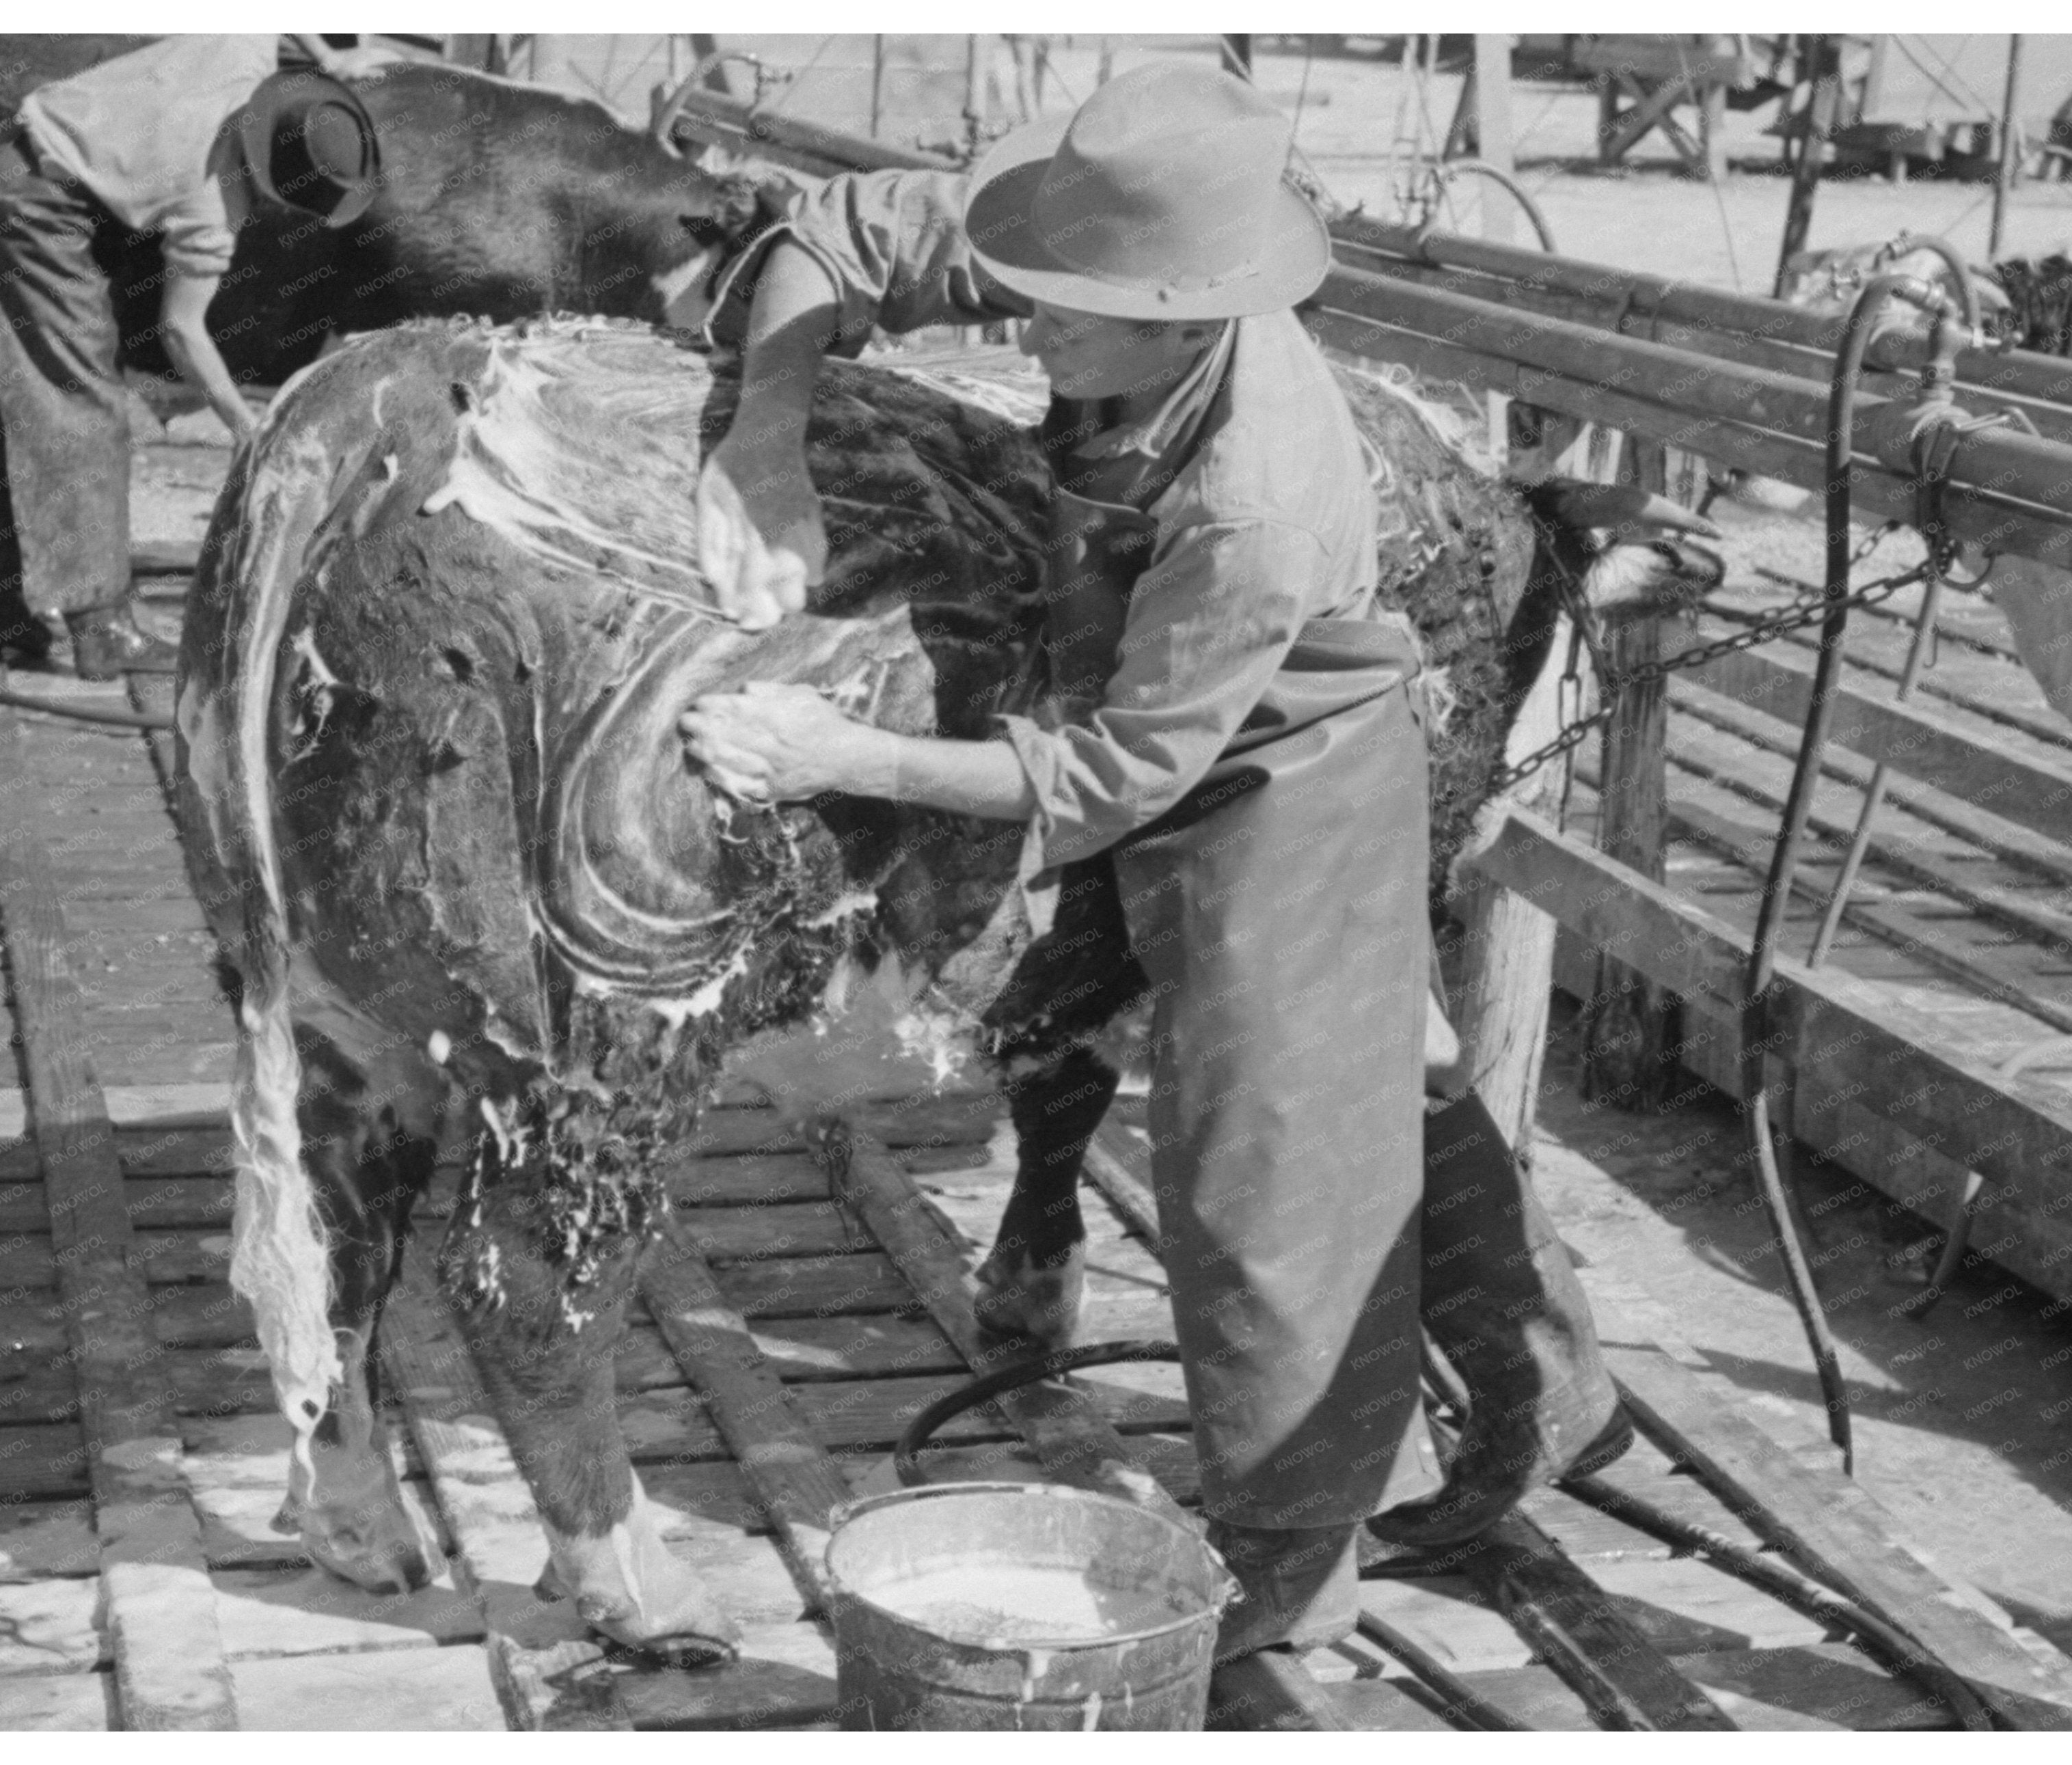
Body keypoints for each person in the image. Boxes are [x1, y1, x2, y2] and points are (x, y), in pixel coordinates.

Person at [679, 61, 1631, 1663]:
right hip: (1132, 685)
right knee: (1381, 1081)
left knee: (1264, 1179)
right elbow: (827, 236)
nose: (1027, 325)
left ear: (1190, 321)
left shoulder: (1256, 493)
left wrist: (843, 759)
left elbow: (1119, 771)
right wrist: (768, 423)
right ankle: (1562, 1398)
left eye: (1064, 315)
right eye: (1025, 290)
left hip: (1285, 783)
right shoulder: (1100, 244)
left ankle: (1279, 1581)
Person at [0, 34, 400, 678]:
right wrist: (246, 425)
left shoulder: (242, 56)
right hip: (32, 212)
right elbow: (182, 330)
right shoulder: (212, 200)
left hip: (3, 167)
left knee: (15, 402)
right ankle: (101, 625)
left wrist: (327, 57)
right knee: (81, 401)